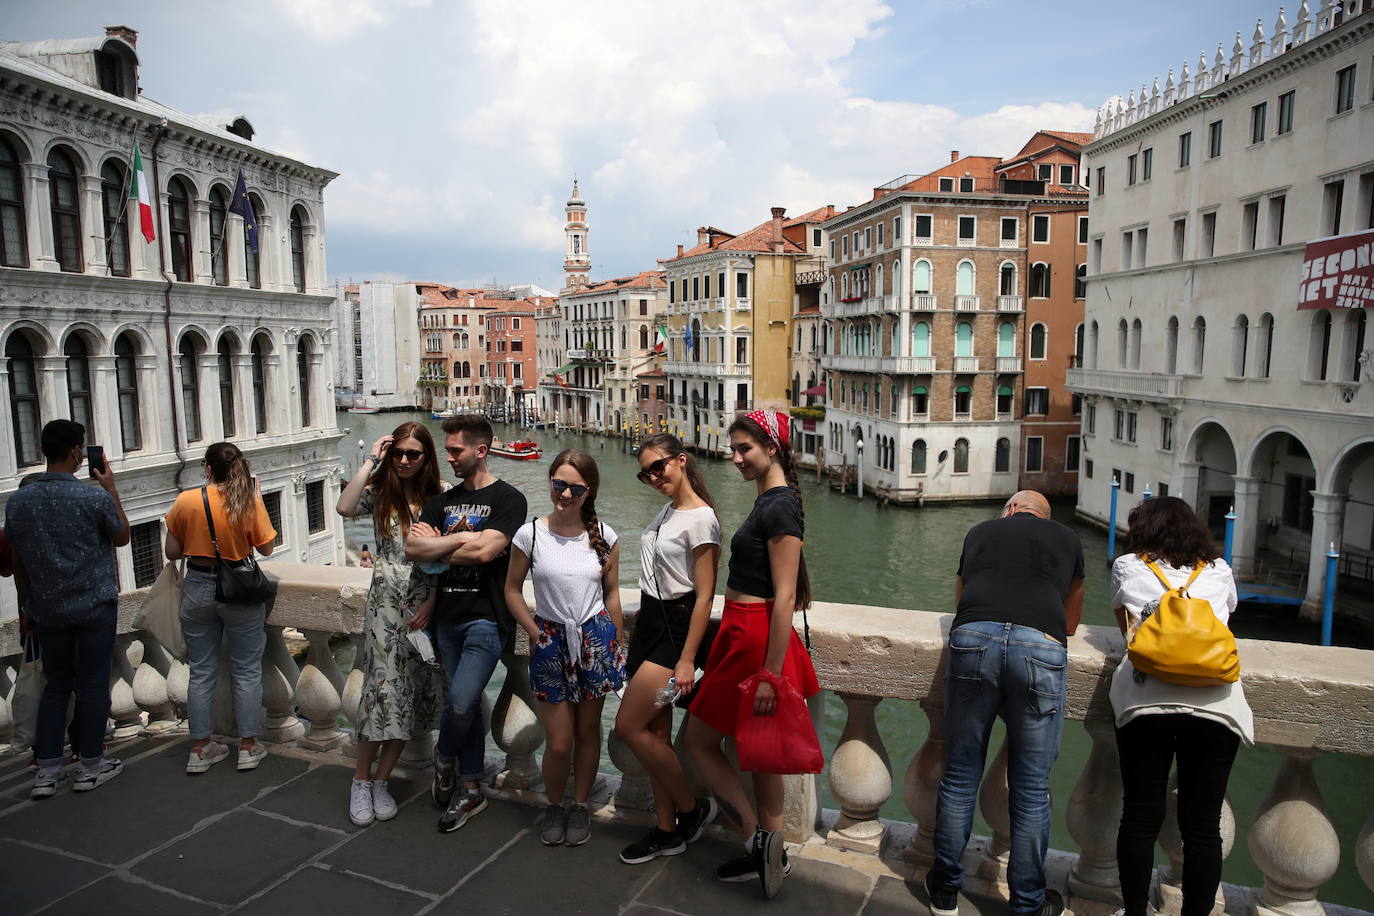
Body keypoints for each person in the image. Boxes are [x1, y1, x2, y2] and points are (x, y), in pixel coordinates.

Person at [926, 490, 1084, 916]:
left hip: (974, 638)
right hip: (1040, 648)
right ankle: (1028, 902)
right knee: (1031, 788)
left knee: (960, 774)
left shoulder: (980, 531)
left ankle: (944, 890)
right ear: (1045, 517)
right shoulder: (1068, 539)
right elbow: (1070, 622)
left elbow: (961, 599)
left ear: (1010, 509)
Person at [686, 409, 819, 899]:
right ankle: (770, 853)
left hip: (753, 638)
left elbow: (785, 597)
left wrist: (770, 674)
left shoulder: (779, 506)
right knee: (760, 756)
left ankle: (755, 842)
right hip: (744, 632)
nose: (737, 457)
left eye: (745, 448)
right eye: (734, 449)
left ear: (772, 448)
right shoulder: (772, 500)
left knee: (700, 741)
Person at [1110, 496, 1253, 916]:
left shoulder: (1127, 566)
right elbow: (1222, 621)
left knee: (1140, 816)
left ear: (1143, 530)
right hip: (1216, 705)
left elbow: (1128, 633)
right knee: (1203, 825)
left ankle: (1135, 911)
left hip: (1145, 703)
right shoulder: (1219, 570)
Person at [405, 414, 527, 834]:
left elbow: (485, 553)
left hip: (486, 619)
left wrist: (440, 546)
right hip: (446, 619)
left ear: (481, 450)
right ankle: (470, 786)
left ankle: (444, 756)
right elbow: (412, 548)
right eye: (448, 451)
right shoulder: (442, 501)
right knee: (468, 705)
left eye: (456, 451)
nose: (450, 458)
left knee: (459, 703)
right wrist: (462, 539)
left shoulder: (509, 500)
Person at [504, 449, 627, 847]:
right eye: (560, 484)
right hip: (549, 641)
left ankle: (579, 805)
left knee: (588, 731)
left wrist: (615, 643)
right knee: (559, 741)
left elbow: (612, 595)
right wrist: (533, 631)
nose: (567, 494)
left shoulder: (605, 536)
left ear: (590, 491)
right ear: (550, 482)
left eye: (577, 488)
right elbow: (511, 590)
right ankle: (554, 805)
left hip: (594, 641)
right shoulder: (530, 534)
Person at [5, 420, 130, 798]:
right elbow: (122, 536)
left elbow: (19, 559)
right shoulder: (92, 498)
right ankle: (90, 765)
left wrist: (28, 605)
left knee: (56, 685)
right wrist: (110, 488)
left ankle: (47, 771)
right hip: (93, 606)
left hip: (47, 610)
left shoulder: (18, 502)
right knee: (91, 685)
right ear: (77, 451)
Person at [614, 433, 720, 864]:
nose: (654, 477)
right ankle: (666, 829)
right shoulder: (668, 510)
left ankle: (692, 810)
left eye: (658, 467)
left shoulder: (702, 518)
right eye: (646, 473)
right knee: (655, 734)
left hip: (674, 634)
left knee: (628, 725)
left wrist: (687, 659)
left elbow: (705, 596)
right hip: (650, 625)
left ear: (681, 460)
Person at [336, 422, 445, 827]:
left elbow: (450, 559)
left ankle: (382, 782)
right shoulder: (382, 493)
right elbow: (344, 507)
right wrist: (371, 460)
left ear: (426, 457)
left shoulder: (442, 496)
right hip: (384, 607)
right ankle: (360, 782)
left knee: (409, 697)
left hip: (423, 608)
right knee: (381, 695)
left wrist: (433, 602)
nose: (403, 460)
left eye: (412, 454)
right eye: (398, 453)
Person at [164, 442, 277, 775]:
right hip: (239, 588)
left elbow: (172, 552)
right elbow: (267, 548)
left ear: (208, 469)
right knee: (246, 669)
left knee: (201, 671)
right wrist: (257, 500)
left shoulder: (186, 500)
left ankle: (200, 749)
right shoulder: (246, 502)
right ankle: (248, 746)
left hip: (198, 586)